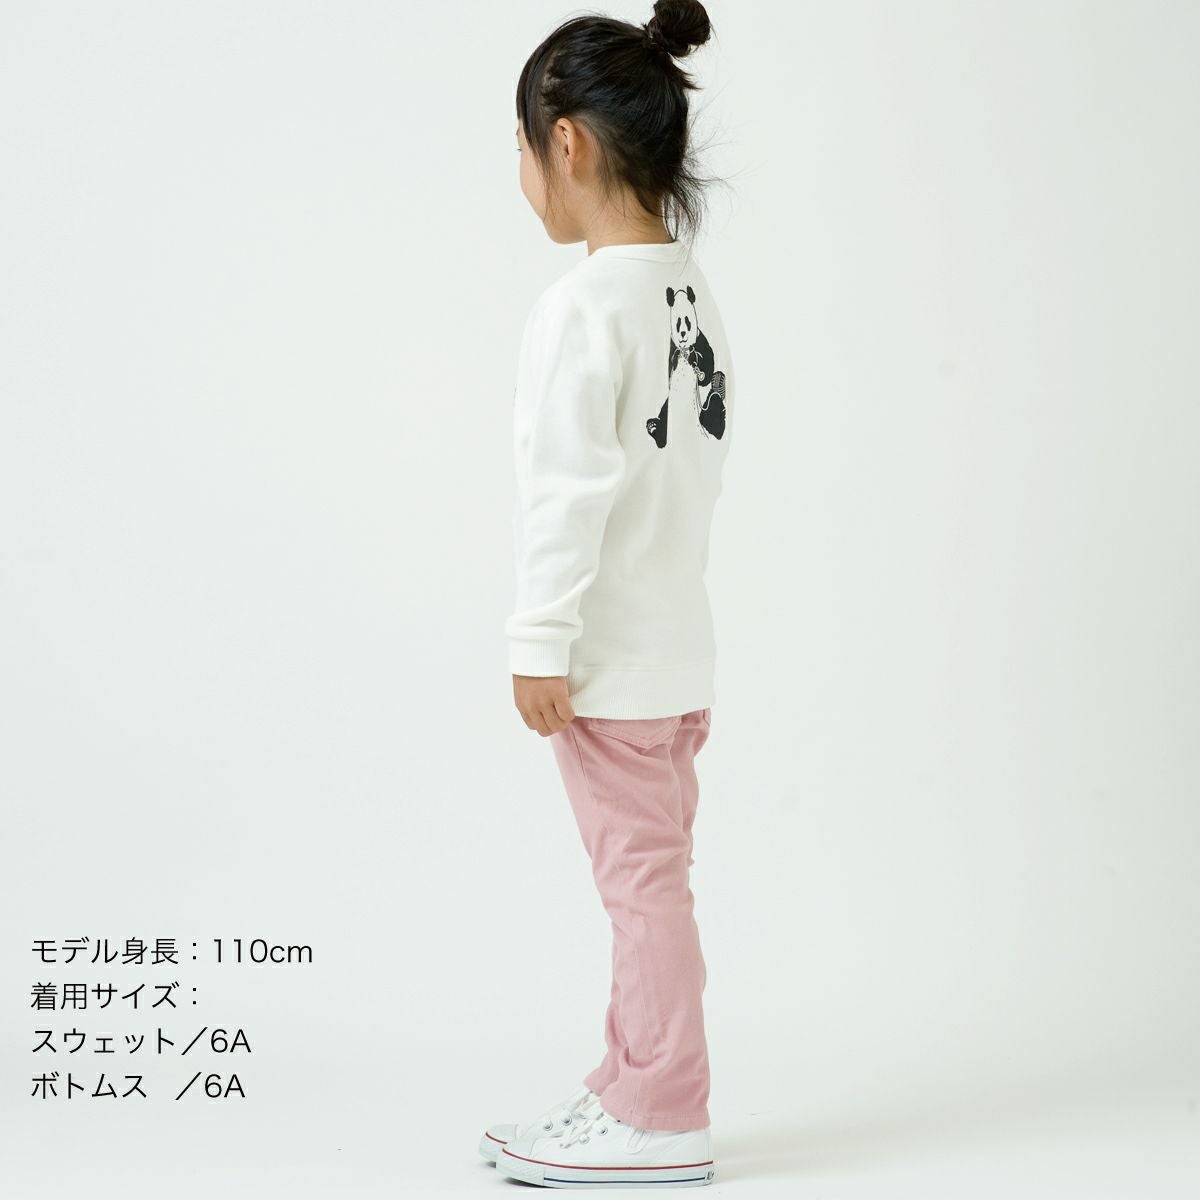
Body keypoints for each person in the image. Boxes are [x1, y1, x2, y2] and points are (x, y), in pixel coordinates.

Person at [480, 0, 733, 1188]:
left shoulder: (582, 307)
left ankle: (662, 1110)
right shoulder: (686, 293)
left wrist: (540, 639)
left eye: (522, 150)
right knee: (654, 881)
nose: (524, 178)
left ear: (567, 144)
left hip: (613, 663)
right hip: (676, 653)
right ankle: (633, 1081)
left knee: (641, 893)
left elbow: (566, 492)